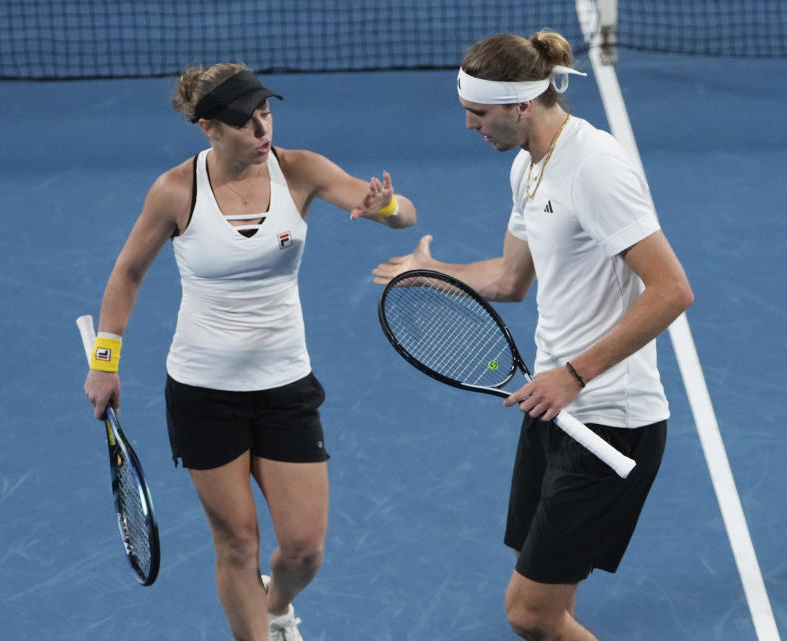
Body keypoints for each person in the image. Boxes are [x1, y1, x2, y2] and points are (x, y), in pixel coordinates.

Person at [373, 31, 692, 641]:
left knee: (530, 613)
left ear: (520, 106)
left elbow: (672, 290)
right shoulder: (527, 166)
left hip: (608, 419)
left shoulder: (594, 168)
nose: (469, 126)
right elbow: (511, 279)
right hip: (554, 408)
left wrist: (573, 375)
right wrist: (432, 273)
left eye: (479, 114)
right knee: (554, 608)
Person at [83, 62, 416, 641]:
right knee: (236, 542)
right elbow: (128, 272)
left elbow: (403, 214)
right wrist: (105, 362)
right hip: (203, 391)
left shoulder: (300, 170)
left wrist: (385, 208)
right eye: (247, 123)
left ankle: (277, 606)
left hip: (285, 384)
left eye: (266, 115)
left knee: (304, 550)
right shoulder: (176, 191)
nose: (263, 131)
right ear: (211, 128)